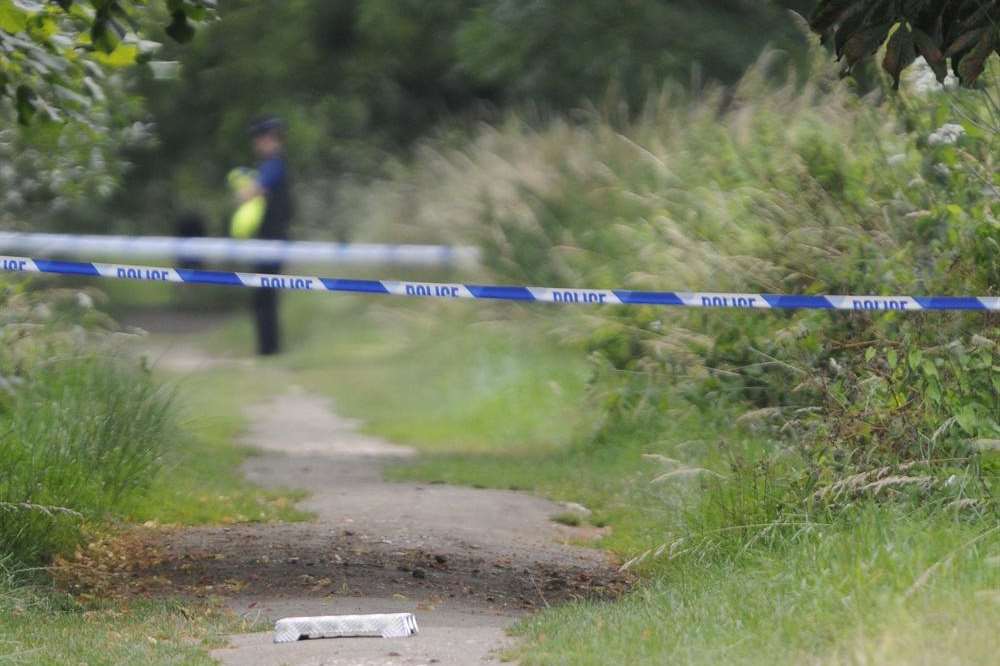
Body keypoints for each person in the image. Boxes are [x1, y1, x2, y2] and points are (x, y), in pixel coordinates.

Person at [233, 116, 294, 355]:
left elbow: (253, 192)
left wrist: (241, 192)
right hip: (271, 239)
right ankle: (268, 348)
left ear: (268, 139)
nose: (256, 145)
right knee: (265, 295)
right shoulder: (275, 163)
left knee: (264, 295)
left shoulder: (273, 164)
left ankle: (268, 349)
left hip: (271, 240)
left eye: (258, 140)